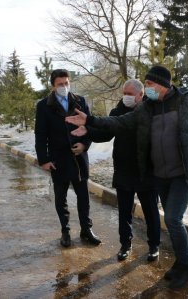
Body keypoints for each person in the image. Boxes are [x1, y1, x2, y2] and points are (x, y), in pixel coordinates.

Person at [65, 65, 188, 289]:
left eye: (149, 84)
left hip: (184, 173)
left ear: (162, 84)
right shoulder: (148, 107)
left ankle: (186, 267)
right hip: (161, 176)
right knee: (171, 219)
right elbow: (120, 122)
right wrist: (89, 121)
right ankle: (179, 263)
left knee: (173, 219)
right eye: (145, 85)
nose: (146, 89)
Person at [78, 79, 161, 262]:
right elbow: (105, 134)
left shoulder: (151, 110)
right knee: (124, 212)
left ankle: (154, 246)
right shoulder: (117, 111)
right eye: (124, 93)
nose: (126, 97)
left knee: (151, 211)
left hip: (147, 171)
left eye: (130, 94)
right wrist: (87, 131)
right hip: (124, 170)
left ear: (141, 95)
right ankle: (125, 244)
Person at [35, 69, 101, 248]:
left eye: (66, 83)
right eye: (60, 84)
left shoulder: (80, 101)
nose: (64, 87)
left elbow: (90, 128)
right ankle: (65, 230)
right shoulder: (44, 106)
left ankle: (86, 230)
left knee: (83, 196)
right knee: (61, 197)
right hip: (59, 158)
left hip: (79, 158)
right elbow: (40, 134)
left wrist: (84, 145)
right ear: (53, 86)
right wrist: (44, 159)